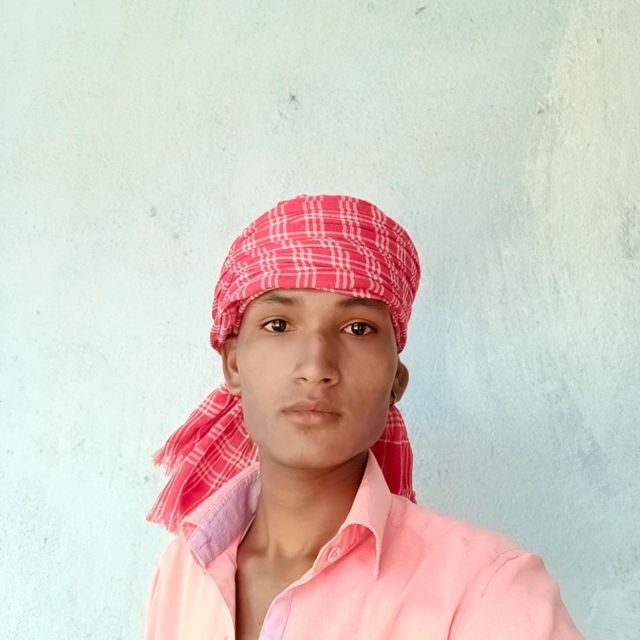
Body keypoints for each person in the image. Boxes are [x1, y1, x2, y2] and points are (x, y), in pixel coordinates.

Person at [144, 194, 583, 639]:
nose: (316, 366)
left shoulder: (491, 594)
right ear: (233, 364)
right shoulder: (184, 571)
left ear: (396, 379)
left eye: (358, 328)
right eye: (279, 324)